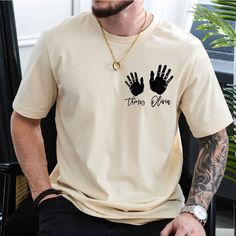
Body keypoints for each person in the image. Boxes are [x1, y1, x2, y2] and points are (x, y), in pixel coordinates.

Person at [10, 0, 233, 235]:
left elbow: (215, 139)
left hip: (158, 212)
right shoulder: (57, 40)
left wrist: (194, 212)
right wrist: (42, 193)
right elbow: (24, 119)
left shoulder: (185, 50)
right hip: (72, 204)